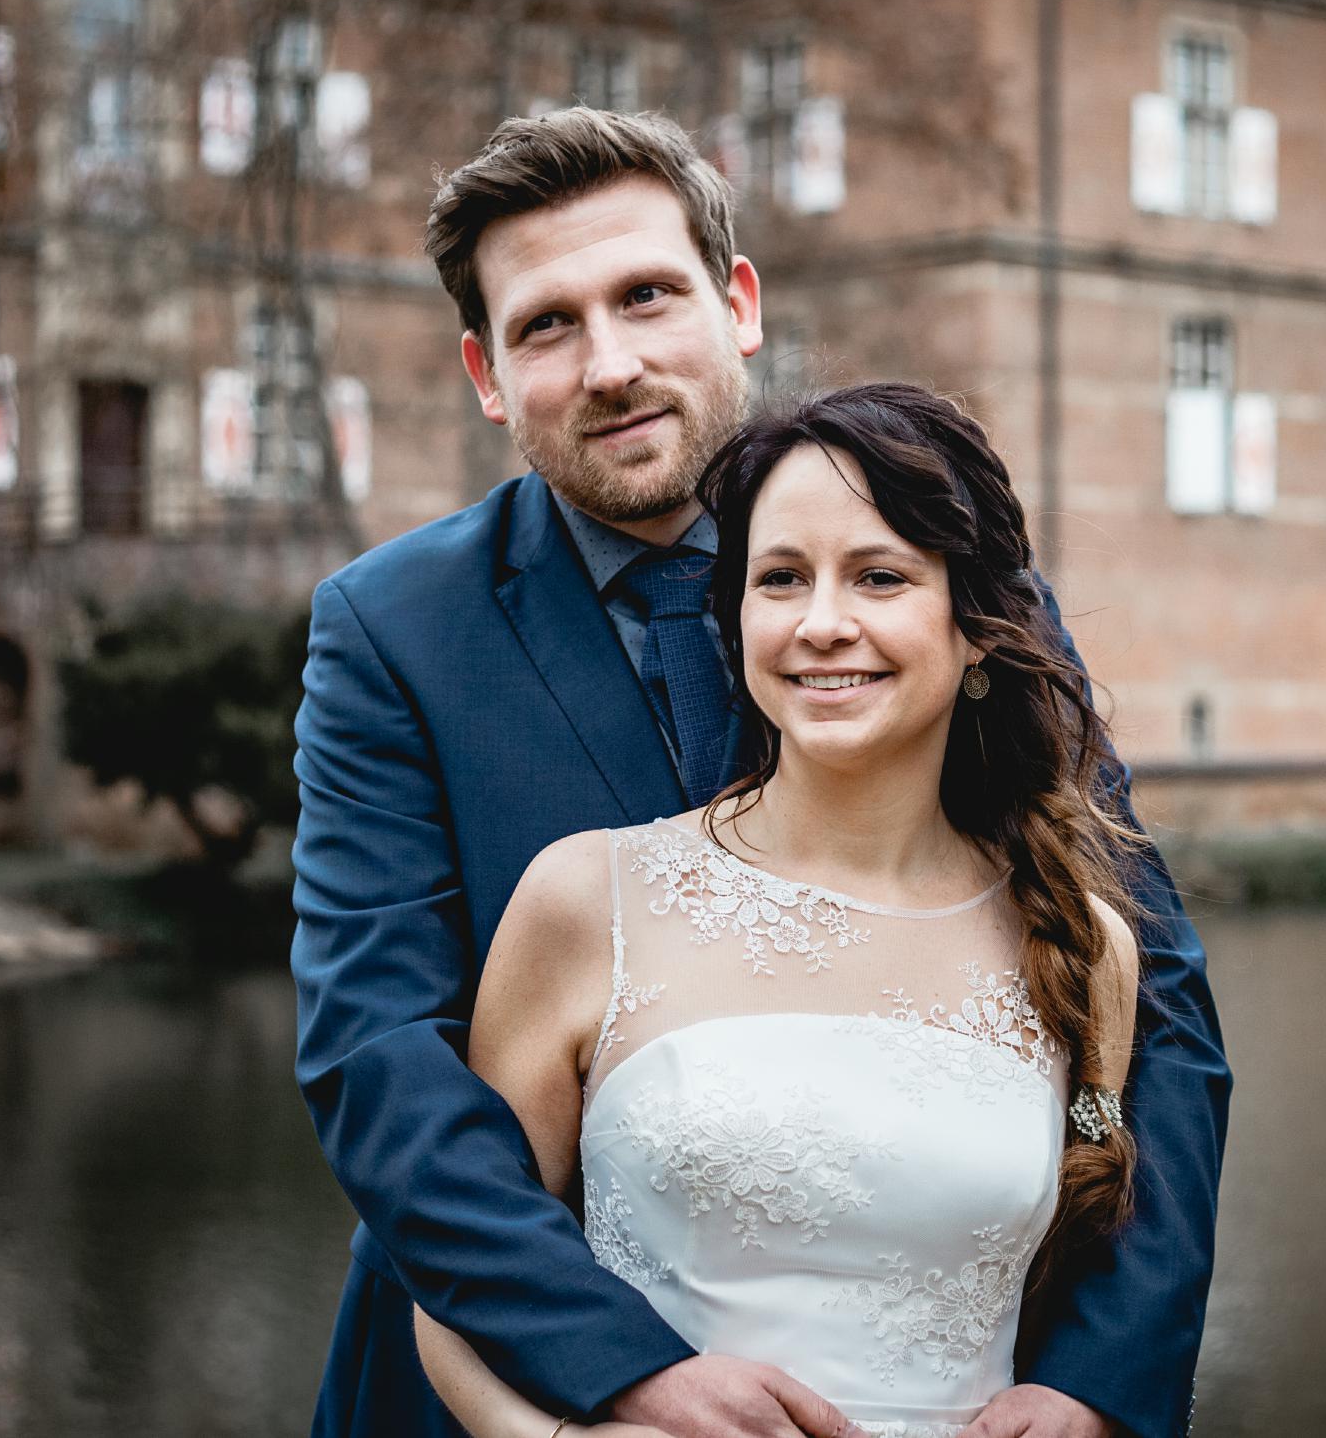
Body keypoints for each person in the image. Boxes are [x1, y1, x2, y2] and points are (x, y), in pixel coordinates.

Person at [291, 107, 1230, 1438]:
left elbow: (1159, 1015)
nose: (608, 363)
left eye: (646, 296)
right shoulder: (393, 629)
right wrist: (617, 1370)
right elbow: (376, 1057)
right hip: (496, 1380)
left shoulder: (953, 584)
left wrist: (1093, 1383)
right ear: (486, 373)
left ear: (735, 303)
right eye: (547, 325)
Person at [408, 383, 1146, 1438]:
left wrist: (1085, 1406)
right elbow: (459, 1287)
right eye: (781, 579)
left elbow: (1096, 1270)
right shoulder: (584, 901)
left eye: (879, 577)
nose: (822, 624)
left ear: (976, 627)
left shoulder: (1083, 947)